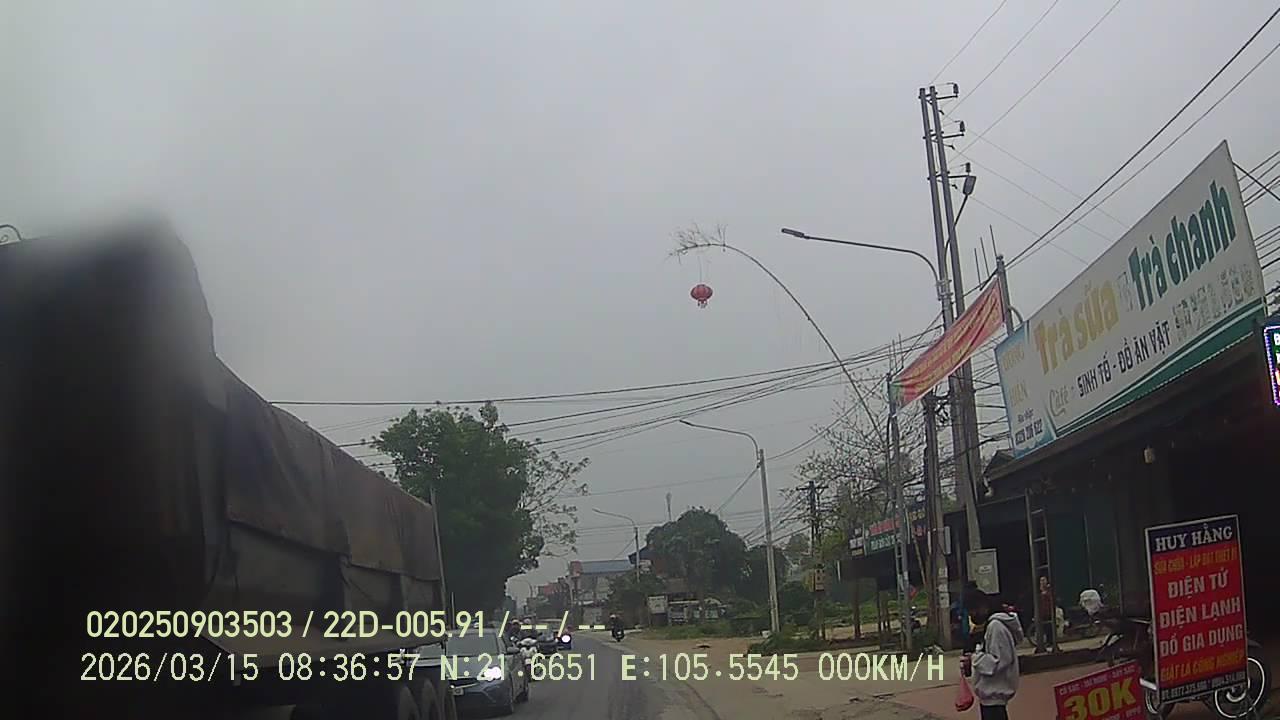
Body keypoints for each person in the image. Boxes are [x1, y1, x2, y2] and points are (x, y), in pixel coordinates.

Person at [962, 591, 1023, 719]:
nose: (972, 615)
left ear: (983, 606)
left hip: (994, 695)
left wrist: (974, 659)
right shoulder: (992, 625)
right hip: (990, 697)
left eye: (973, 610)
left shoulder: (996, 627)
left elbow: (997, 661)